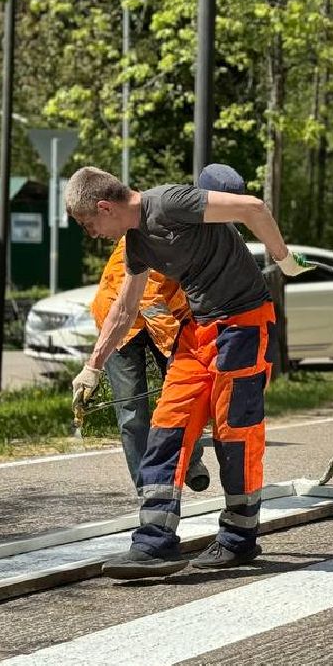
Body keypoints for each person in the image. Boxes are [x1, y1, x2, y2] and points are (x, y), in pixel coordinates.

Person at [64, 165, 310, 577]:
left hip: (243, 322)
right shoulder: (137, 244)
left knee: (236, 431)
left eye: (88, 224)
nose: (92, 234)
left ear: (105, 207)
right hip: (197, 331)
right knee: (167, 425)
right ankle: (154, 543)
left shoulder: (171, 203)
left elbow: (251, 207)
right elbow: (125, 309)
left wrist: (283, 260)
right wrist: (93, 366)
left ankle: (238, 539)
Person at [89, 164, 248, 492]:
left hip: (163, 316)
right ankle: (147, 489)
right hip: (122, 319)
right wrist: (94, 365)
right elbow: (143, 302)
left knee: (183, 398)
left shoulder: (209, 223)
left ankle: (190, 462)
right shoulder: (165, 225)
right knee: (134, 409)